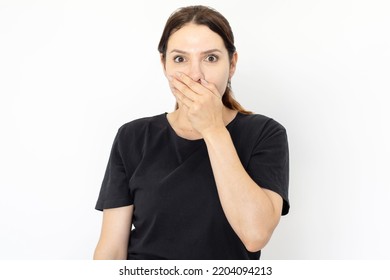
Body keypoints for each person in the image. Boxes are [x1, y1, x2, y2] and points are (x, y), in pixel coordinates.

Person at [93, 5, 289, 260]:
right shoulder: (132, 136)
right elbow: (111, 250)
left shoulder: (265, 134)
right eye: (180, 59)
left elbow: (255, 235)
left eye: (210, 58)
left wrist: (212, 128)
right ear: (164, 65)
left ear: (232, 64)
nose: (195, 75)